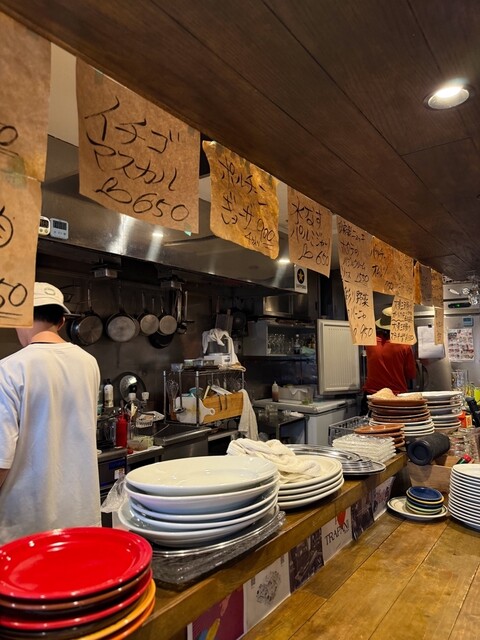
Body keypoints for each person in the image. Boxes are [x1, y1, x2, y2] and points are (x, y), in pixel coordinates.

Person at [0, 282, 101, 544]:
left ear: (20, 318)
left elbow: (1, 459)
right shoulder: (88, 362)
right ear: (61, 321)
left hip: (26, 526)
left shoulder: (9, 369)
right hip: (80, 516)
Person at [361, 307, 416, 413]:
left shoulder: (369, 342)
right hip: (396, 397)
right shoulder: (405, 345)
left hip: (372, 397)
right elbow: (411, 374)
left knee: (370, 423)